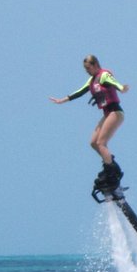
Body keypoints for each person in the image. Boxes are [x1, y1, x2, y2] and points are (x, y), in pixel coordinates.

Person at [50, 55, 130, 187]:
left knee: (101, 143)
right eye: (85, 69)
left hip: (115, 112)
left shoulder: (103, 75)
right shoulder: (92, 80)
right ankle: (111, 165)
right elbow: (80, 92)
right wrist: (62, 100)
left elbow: (113, 82)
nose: (86, 71)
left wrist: (121, 88)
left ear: (95, 65)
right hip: (108, 113)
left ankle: (113, 174)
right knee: (93, 143)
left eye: (88, 68)